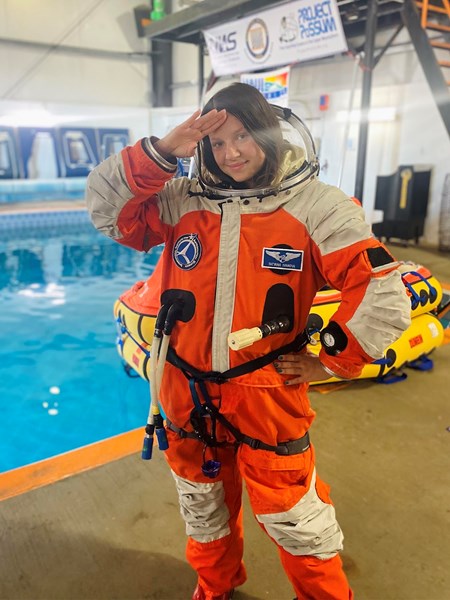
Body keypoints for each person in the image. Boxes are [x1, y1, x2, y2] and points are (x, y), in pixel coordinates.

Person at [86, 82, 411, 600]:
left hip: (267, 393)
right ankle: (214, 587)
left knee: (297, 519)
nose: (230, 152)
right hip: (186, 389)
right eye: (217, 142)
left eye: (242, 136)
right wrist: (162, 152)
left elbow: (381, 289)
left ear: (268, 133)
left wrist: (332, 360)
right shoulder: (182, 200)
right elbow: (108, 211)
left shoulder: (317, 206)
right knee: (203, 507)